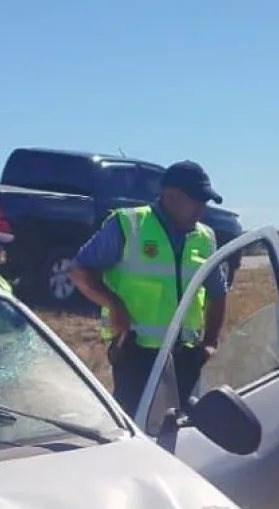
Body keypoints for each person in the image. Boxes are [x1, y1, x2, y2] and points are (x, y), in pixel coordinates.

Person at [69, 160, 229, 417]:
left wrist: (210, 342)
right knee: (137, 427)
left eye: (205, 201)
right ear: (171, 196)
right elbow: (80, 272)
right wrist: (116, 307)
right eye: (196, 200)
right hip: (137, 354)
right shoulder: (128, 225)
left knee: (183, 428)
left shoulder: (205, 237)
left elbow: (217, 293)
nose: (202, 208)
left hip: (187, 356)